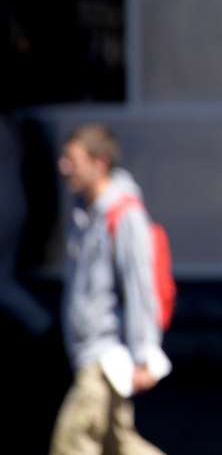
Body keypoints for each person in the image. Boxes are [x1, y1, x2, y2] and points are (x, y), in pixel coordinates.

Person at [50, 124, 168, 455]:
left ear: (99, 163)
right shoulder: (85, 213)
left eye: (72, 159)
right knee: (120, 445)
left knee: (70, 443)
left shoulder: (124, 214)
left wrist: (144, 353)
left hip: (105, 356)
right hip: (87, 351)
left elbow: (139, 286)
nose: (63, 167)